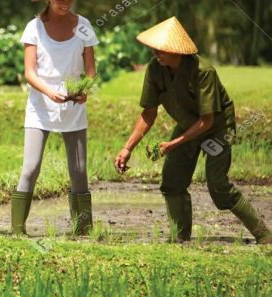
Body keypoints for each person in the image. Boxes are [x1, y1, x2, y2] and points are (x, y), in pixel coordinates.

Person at [114, 16, 272, 244]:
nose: (156, 54)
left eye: (162, 50)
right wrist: (127, 148)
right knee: (172, 182)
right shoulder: (155, 69)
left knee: (218, 185)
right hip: (189, 124)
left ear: (177, 51)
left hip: (218, 127)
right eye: (154, 49)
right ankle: (181, 239)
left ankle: (263, 234)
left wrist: (173, 144)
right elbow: (149, 113)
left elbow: (206, 122)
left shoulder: (203, 71)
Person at [11, 0, 99, 236]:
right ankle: (17, 230)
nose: (66, 3)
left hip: (73, 105)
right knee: (31, 167)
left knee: (79, 170)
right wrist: (49, 92)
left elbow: (91, 71)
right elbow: (29, 73)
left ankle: (82, 230)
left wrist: (84, 90)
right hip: (40, 105)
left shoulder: (83, 26)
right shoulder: (34, 28)